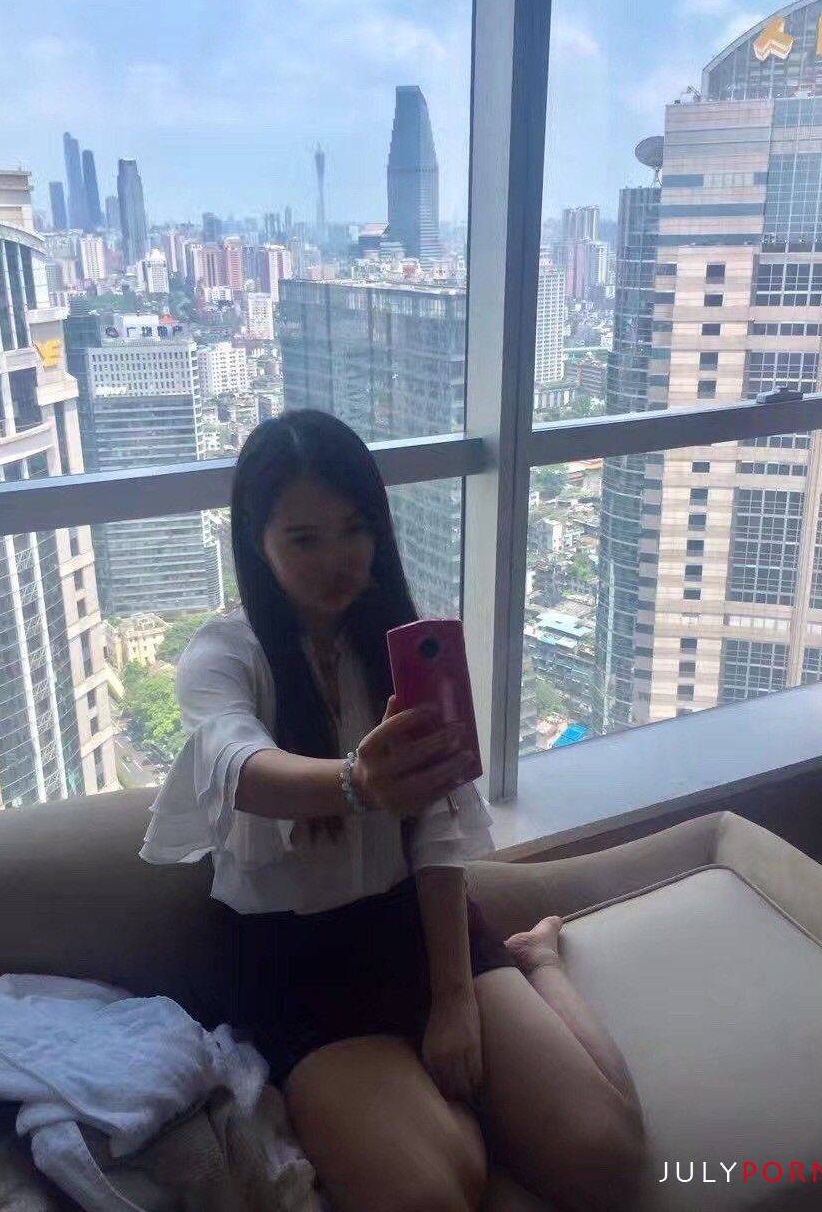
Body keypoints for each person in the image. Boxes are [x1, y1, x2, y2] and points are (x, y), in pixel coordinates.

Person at [140, 410, 644, 1212]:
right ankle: (439, 1107)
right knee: (436, 1193)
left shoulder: (403, 646)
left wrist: (454, 997)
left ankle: (537, 959)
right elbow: (235, 764)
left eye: (355, 529)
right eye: (304, 538)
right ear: (256, 541)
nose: (337, 559)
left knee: (607, 1160)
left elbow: (437, 834)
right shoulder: (224, 655)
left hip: (418, 922)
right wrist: (356, 782)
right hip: (298, 961)